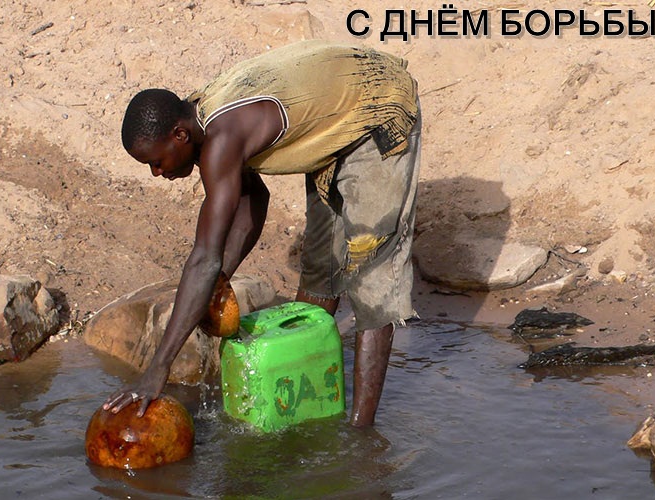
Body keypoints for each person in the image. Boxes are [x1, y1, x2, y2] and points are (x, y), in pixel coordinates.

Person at [103, 40, 421, 427]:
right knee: (321, 266)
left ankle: (361, 435)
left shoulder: (222, 139)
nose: (157, 173)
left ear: (179, 136)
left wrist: (158, 369)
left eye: (156, 161)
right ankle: (309, 399)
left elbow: (204, 256)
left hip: (375, 106)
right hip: (330, 118)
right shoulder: (199, 117)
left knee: (372, 279)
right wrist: (219, 283)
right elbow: (254, 200)